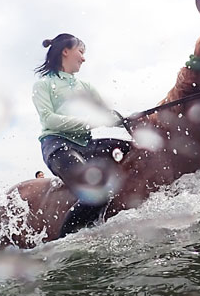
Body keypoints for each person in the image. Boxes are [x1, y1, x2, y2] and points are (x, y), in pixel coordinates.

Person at [32, 33, 130, 237]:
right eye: (81, 52)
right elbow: (48, 119)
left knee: (136, 152)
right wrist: (89, 120)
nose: (84, 58)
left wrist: (128, 120)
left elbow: (106, 115)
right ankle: (63, 245)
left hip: (87, 145)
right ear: (65, 51)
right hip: (58, 146)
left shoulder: (86, 88)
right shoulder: (42, 85)